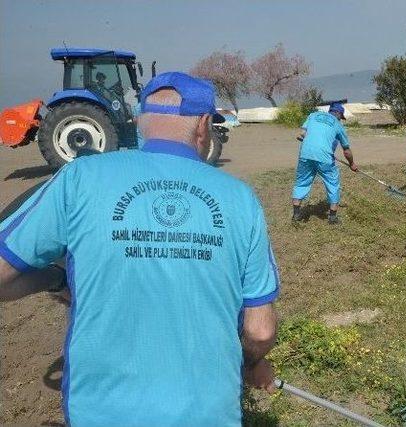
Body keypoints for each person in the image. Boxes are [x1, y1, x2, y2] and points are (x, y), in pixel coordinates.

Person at [0, 72, 279, 426]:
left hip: (100, 415)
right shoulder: (241, 200)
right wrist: (252, 363)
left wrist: (55, 281)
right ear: (203, 126)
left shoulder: (79, 177)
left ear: (139, 121)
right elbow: (260, 331)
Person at [291, 102, 357, 224]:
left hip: (306, 153)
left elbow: (302, 134)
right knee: (332, 183)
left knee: (302, 181)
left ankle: (296, 214)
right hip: (324, 157)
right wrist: (352, 164)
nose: (340, 119)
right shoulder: (338, 125)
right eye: (341, 117)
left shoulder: (313, 115)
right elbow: (346, 150)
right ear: (338, 114)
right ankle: (332, 218)